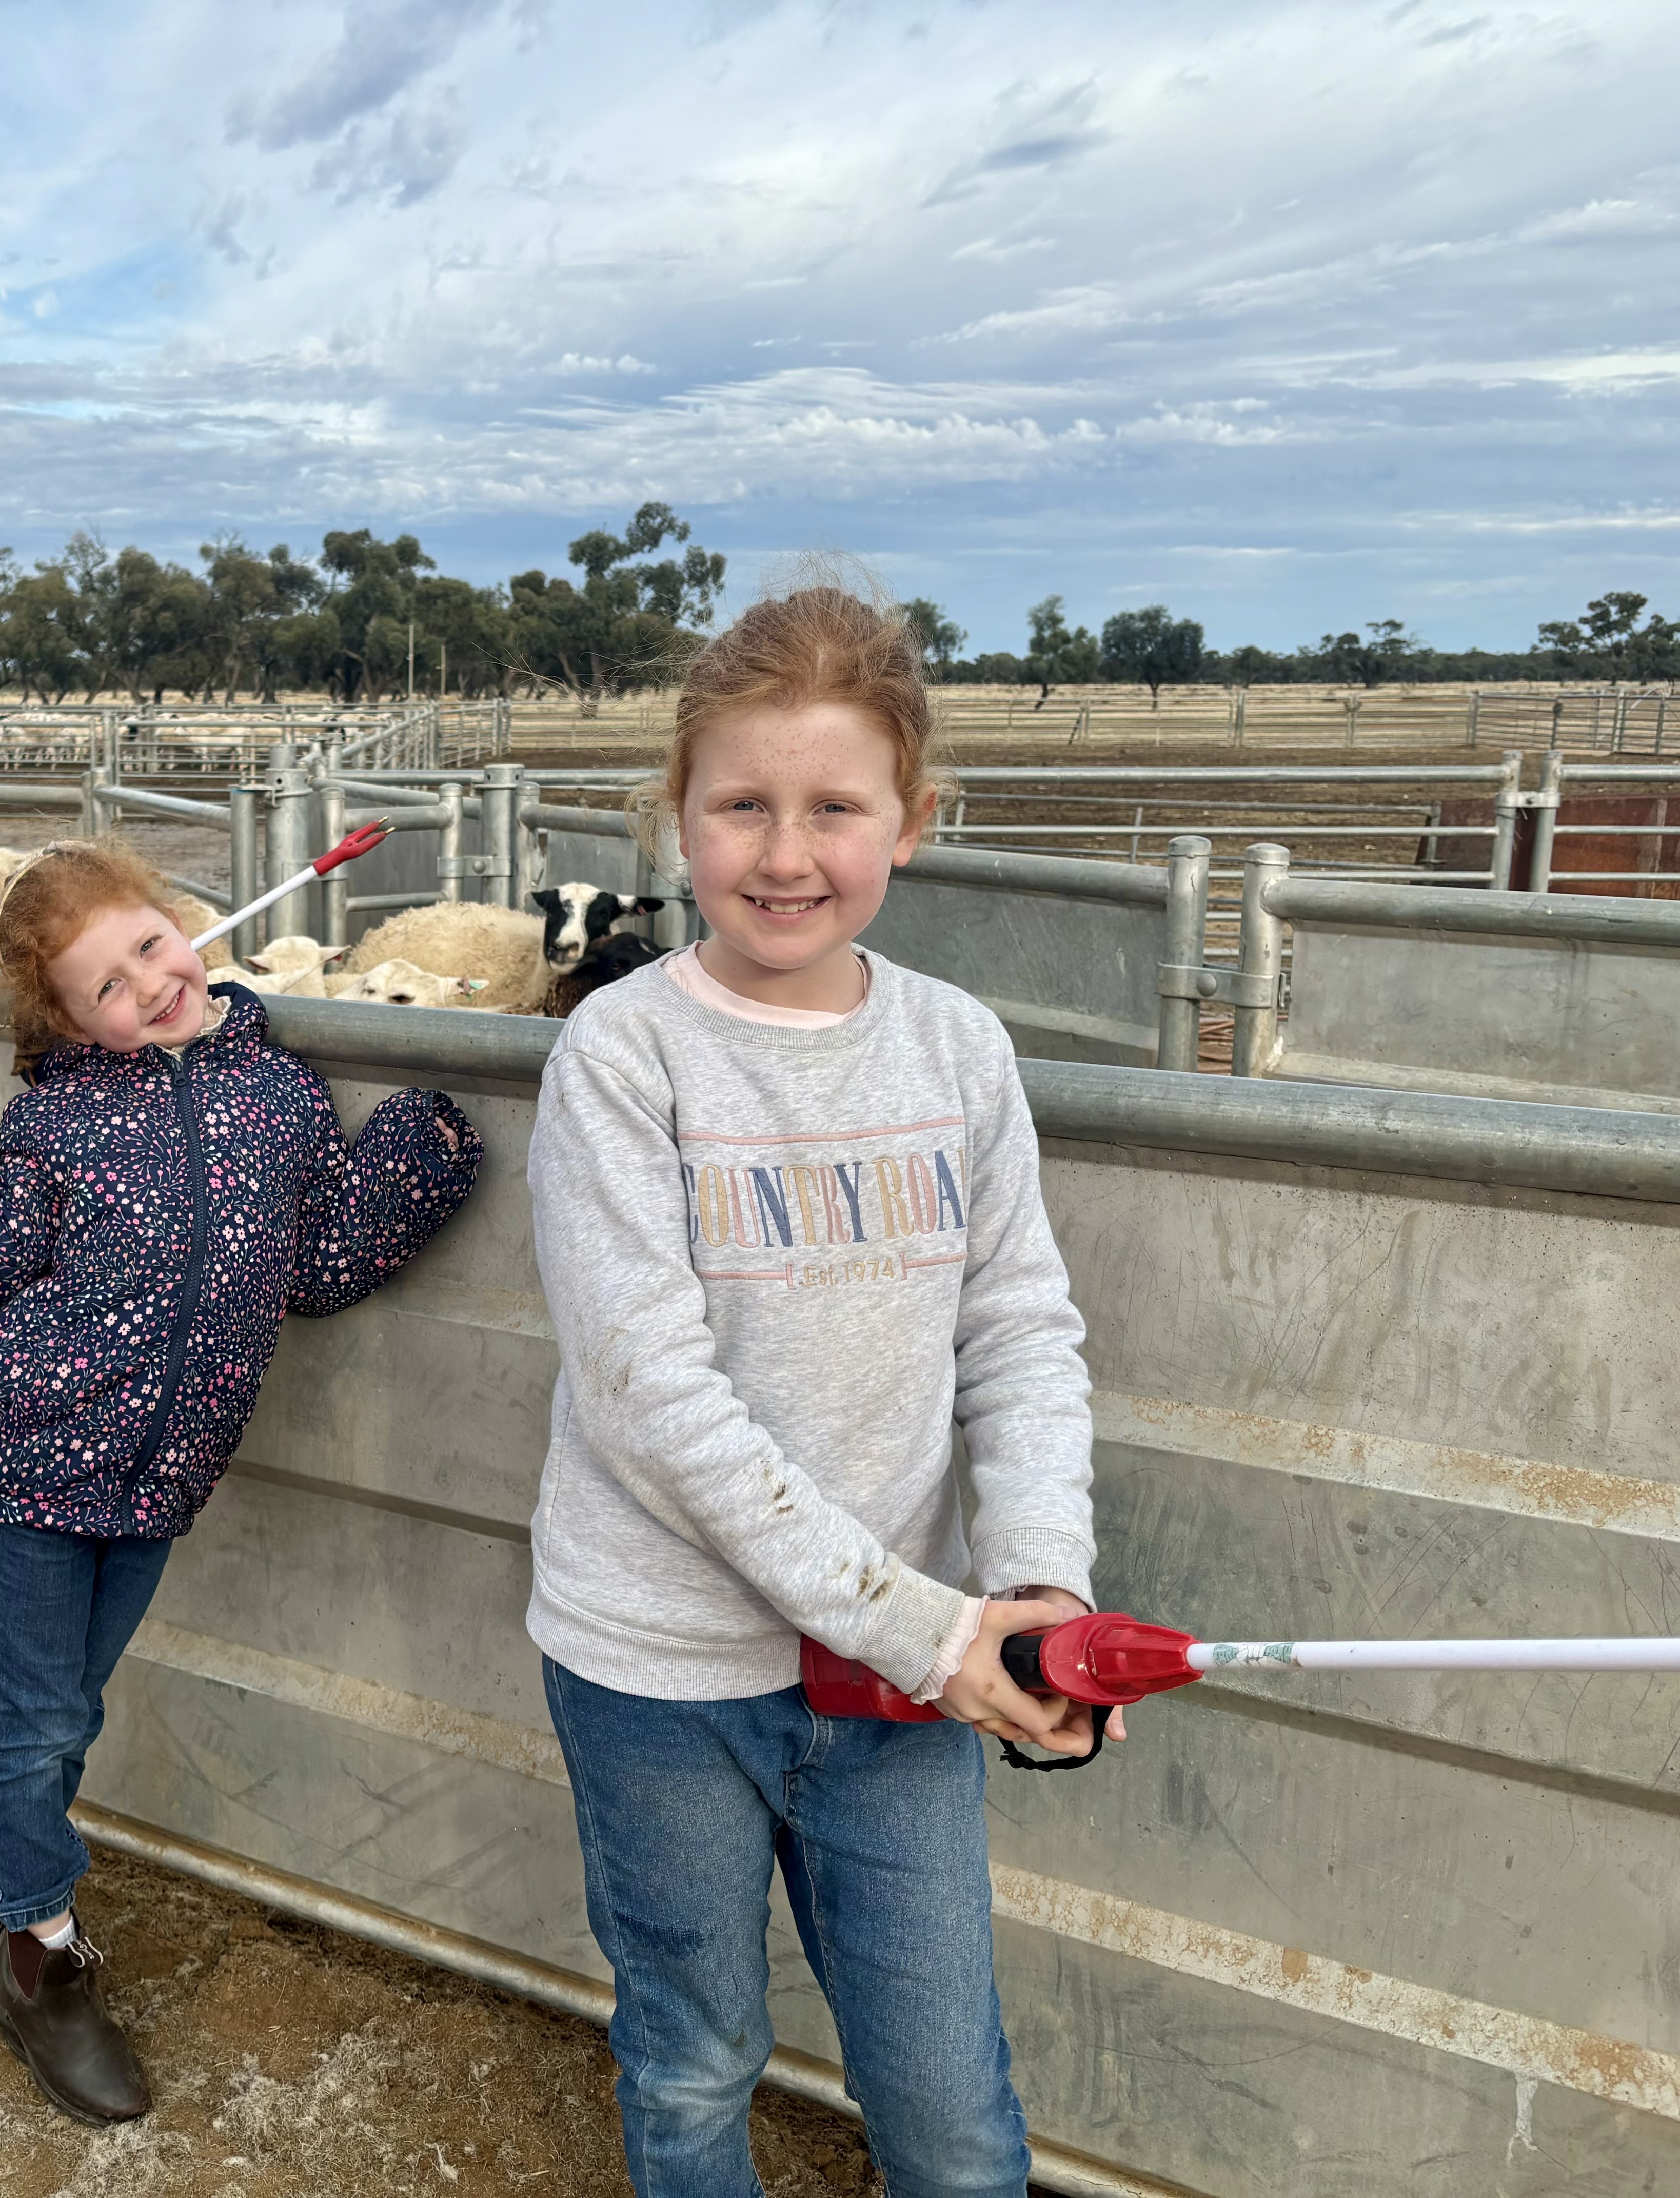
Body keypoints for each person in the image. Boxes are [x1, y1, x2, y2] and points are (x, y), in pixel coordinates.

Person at [523, 579, 1109, 2198]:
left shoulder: (959, 1050)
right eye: (743, 806)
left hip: (905, 1672)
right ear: (677, 819)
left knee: (950, 2101)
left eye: (835, 807)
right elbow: (653, 1394)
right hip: (663, 1670)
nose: (786, 854)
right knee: (697, 2054)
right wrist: (935, 1629)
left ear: (912, 821)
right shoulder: (624, 1059)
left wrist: (1041, 1582)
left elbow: (1020, 1327)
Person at [0, 841, 483, 2125]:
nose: (146, 985)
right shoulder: (60, 1115)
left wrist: (426, 1141)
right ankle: (39, 1958)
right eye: (103, 989)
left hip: (159, 1478)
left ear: (183, 924)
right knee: (42, 1721)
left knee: (61, 1707)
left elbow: (317, 1264)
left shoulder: (281, 1098)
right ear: (65, 1023)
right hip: (29, 1460)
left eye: (148, 945)